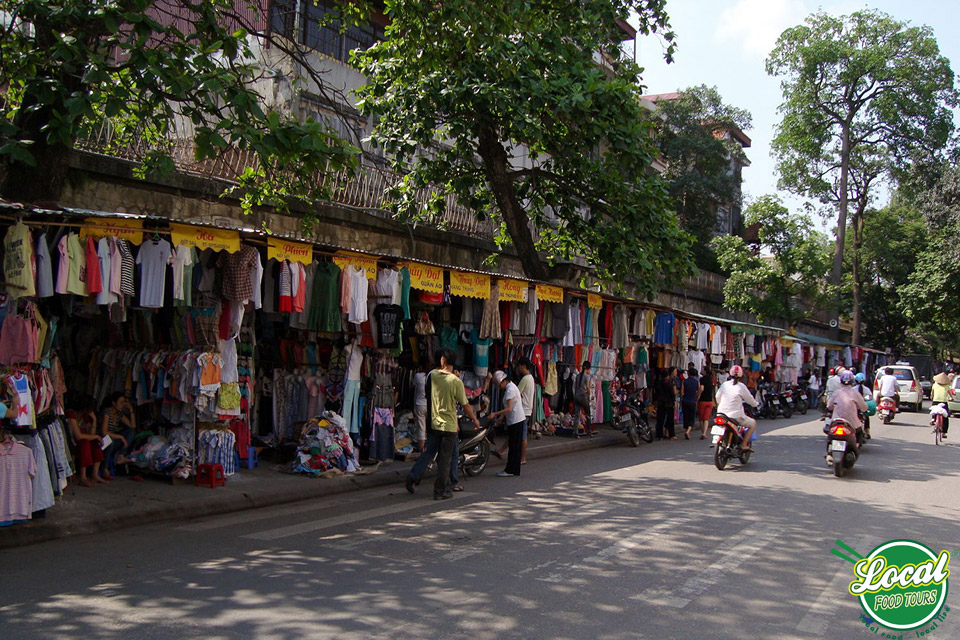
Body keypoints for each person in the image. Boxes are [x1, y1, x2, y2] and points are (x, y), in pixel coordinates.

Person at [405, 349, 479, 500]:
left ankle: (412, 477)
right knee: (445, 460)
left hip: (433, 422)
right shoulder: (456, 382)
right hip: (449, 426)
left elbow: (427, 395)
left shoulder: (431, 375)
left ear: (442, 361)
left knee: (429, 453)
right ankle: (440, 491)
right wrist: (475, 419)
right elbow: (465, 405)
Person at [496, 359, 534, 463]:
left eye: (519, 366)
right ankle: (501, 451)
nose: (517, 368)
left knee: (522, 436)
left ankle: (522, 458)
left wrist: (499, 415)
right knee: (515, 434)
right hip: (526, 409)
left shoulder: (524, 380)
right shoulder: (530, 378)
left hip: (522, 411)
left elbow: (515, 396)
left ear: (523, 366)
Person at [489, 371, 526, 477]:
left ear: (503, 381)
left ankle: (510, 470)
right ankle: (513, 470)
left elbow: (509, 408)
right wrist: (501, 417)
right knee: (514, 445)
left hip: (516, 419)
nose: (500, 387)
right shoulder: (511, 387)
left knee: (514, 447)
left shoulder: (510, 389)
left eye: (500, 385)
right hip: (516, 419)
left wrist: (495, 414)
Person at [714, 365, 759, 451]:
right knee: (753, 423)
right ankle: (744, 444)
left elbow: (717, 397)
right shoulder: (741, 386)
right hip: (735, 416)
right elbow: (750, 400)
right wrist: (756, 404)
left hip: (721, 413)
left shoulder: (724, 385)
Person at [826, 371, 868, 463]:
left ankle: (829, 453)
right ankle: (856, 448)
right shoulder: (855, 393)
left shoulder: (837, 393)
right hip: (851, 423)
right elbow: (864, 408)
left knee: (829, 434)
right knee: (860, 433)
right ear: (852, 381)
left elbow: (829, 406)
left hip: (836, 421)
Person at [66, 395, 106, 487]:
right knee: (85, 443)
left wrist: (94, 421)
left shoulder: (85, 417)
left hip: (81, 441)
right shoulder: (71, 414)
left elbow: (90, 434)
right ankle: (83, 477)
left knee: (95, 444)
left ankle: (95, 474)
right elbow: (78, 436)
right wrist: (95, 436)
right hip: (73, 442)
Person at [100, 392, 135, 475]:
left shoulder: (119, 414)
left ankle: (121, 455)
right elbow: (104, 432)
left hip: (112, 439)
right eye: (121, 402)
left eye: (124, 403)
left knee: (131, 431)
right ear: (113, 403)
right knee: (110, 441)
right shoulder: (107, 412)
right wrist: (121, 437)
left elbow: (132, 426)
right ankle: (104, 468)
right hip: (102, 440)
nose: (123, 405)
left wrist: (131, 410)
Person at [411, 359, 431, 453]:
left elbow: (413, 385)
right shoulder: (432, 376)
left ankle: (422, 450)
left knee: (421, 428)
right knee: (430, 428)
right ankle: (431, 450)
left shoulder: (418, 376)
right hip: (430, 405)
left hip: (420, 405)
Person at [574, 361, 596, 437]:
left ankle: (575, 432)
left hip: (577, 396)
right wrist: (589, 393)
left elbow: (576, 387)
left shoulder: (577, 376)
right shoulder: (587, 377)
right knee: (588, 414)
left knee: (576, 415)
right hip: (583, 397)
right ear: (588, 368)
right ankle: (589, 431)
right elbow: (587, 387)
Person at [655, 369, 677, 440]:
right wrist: (674, 401)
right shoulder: (669, 384)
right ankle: (671, 435)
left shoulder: (658, 383)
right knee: (670, 419)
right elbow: (672, 394)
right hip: (669, 403)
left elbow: (656, 394)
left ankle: (659, 435)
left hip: (661, 403)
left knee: (660, 420)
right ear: (667, 376)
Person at [680, 365, 701, 440]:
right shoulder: (696, 382)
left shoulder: (684, 381)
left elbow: (682, 392)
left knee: (686, 416)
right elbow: (699, 391)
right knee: (691, 417)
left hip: (685, 401)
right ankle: (688, 431)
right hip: (692, 401)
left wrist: (682, 398)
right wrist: (697, 399)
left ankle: (686, 431)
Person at [697, 365, 717, 440]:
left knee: (702, 418)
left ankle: (703, 432)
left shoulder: (702, 379)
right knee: (706, 418)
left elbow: (701, 389)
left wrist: (698, 396)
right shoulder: (712, 379)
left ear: (705, 371)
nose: (701, 370)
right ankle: (705, 433)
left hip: (702, 400)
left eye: (702, 369)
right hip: (709, 401)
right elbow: (714, 391)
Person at [930, 372, 950, 438]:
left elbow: (932, 394)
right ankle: (944, 432)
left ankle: (933, 419)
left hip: (935, 401)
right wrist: (952, 398)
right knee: (946, 417)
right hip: (944, 402)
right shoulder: (947, 386)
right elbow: (951, 395)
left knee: (934, 410)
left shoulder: (934, 385)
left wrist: (932, 398)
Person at [854, 372, 873, 439]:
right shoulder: (867, 389)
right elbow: (870, 398)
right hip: (863, 408)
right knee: (866, 417)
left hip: (854, 408)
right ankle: (867, 432)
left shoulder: (853, 389)